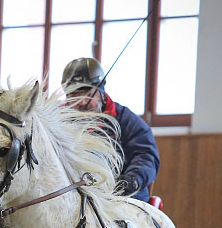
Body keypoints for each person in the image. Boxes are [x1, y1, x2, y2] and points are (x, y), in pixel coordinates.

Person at [62, 57, 160, 202]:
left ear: (101, 91)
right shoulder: (57, 122)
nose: (82, 103)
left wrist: (131, 180)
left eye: (88, 95)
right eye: (74, 97)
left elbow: (146, 156)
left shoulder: (127, 120)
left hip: (121, 197)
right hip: (72, 198)